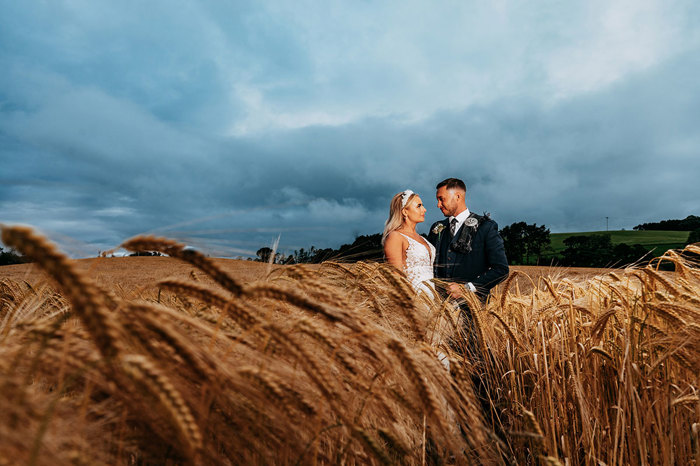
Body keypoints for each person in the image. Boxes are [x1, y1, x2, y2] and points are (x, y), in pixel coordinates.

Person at [427, 178, 509, 354]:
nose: (437, 204)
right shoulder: (437, 228)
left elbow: (501, 269)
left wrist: (466, 289)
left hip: (472, 315)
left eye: (441, 199)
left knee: (471, 362)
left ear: (457, 196)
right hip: (439, 315)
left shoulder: (486, 227)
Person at [382, 189, 436, 295]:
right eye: (419, 206)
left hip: (432, 300)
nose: (424, 210)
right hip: (413, 299)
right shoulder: (395, 236)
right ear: (404, 211)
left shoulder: (423, 239)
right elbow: (397, 278)